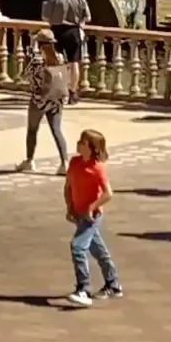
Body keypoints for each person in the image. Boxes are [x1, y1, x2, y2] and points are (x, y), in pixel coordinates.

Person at [62, 127, 122, 306]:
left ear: (91, 147)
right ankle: (113, 284)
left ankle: (83, 289)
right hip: (78, 213)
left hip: (92, 216)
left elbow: (108, 193)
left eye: (82, 142)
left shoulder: (97, 169)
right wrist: (69, 207)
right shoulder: (74, 162)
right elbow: (68, 186)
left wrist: (92, 207)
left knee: (78, 247)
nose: (78, 144)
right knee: (97, 250)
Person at [19, 35, 71, 173]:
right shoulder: (61, 57)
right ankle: (64, 162)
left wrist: (27, 59)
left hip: (39, 100)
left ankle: (29, 161)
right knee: (57, 130)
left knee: (32, 130)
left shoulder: (36, 60)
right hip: (56, 99)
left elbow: (25, 75)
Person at [40, 0, 91, 103]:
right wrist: (80, 22)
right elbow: (87, 17)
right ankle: (72, 93)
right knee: (74, 62)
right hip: (73, 31)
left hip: (57, 31)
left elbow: (45, 17)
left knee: (56, 61)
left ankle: (58, 91)